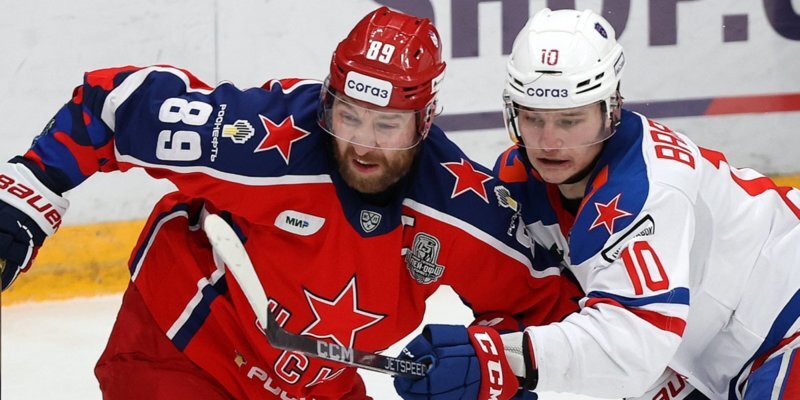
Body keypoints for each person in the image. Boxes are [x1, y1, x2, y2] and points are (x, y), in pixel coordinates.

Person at [0, 7, 581, 400]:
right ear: (327, 101)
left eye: (386, 125)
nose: (362, 144)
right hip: (183, 346)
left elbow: (545, 307)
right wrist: (29, 192)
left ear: (425, 122)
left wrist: (493, 364)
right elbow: (110, 108)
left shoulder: (460, 206)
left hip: (319, 385)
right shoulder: (263, 139)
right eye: (348, 116)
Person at [394, 7, 800, 400]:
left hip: (786, 318)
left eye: (570, 120)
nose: (549, 141)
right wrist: (494, 352)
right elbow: (541, 299)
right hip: (712, 357)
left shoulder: (647, 188)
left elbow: (633, 346)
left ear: (611, 110)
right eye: (534, 118)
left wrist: (506, 358)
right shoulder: (518, 182)